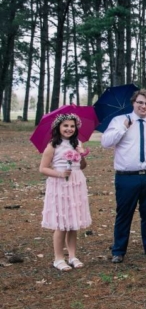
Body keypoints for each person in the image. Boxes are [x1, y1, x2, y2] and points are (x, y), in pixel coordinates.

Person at [101, 89, 146, 264]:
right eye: (140, 102)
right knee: (124, 214)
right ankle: (119, 250)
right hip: (126, 177)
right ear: (133, 103)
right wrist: (124, 127)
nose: (143, 106)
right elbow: (106, 142)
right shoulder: (119, 121)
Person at [39, 113, 91, 271]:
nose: (69, 129)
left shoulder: (77, 143)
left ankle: (72, 255)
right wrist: (60, 174)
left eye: (72, 126)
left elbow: (82, 166)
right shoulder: (53, 145)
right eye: (65, 126)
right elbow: (43, 168)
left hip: (76, 184)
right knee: (61, 223)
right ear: (58, 127)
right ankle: (58, 258)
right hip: (60, 185)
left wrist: (81, 154)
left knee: (73, 223)